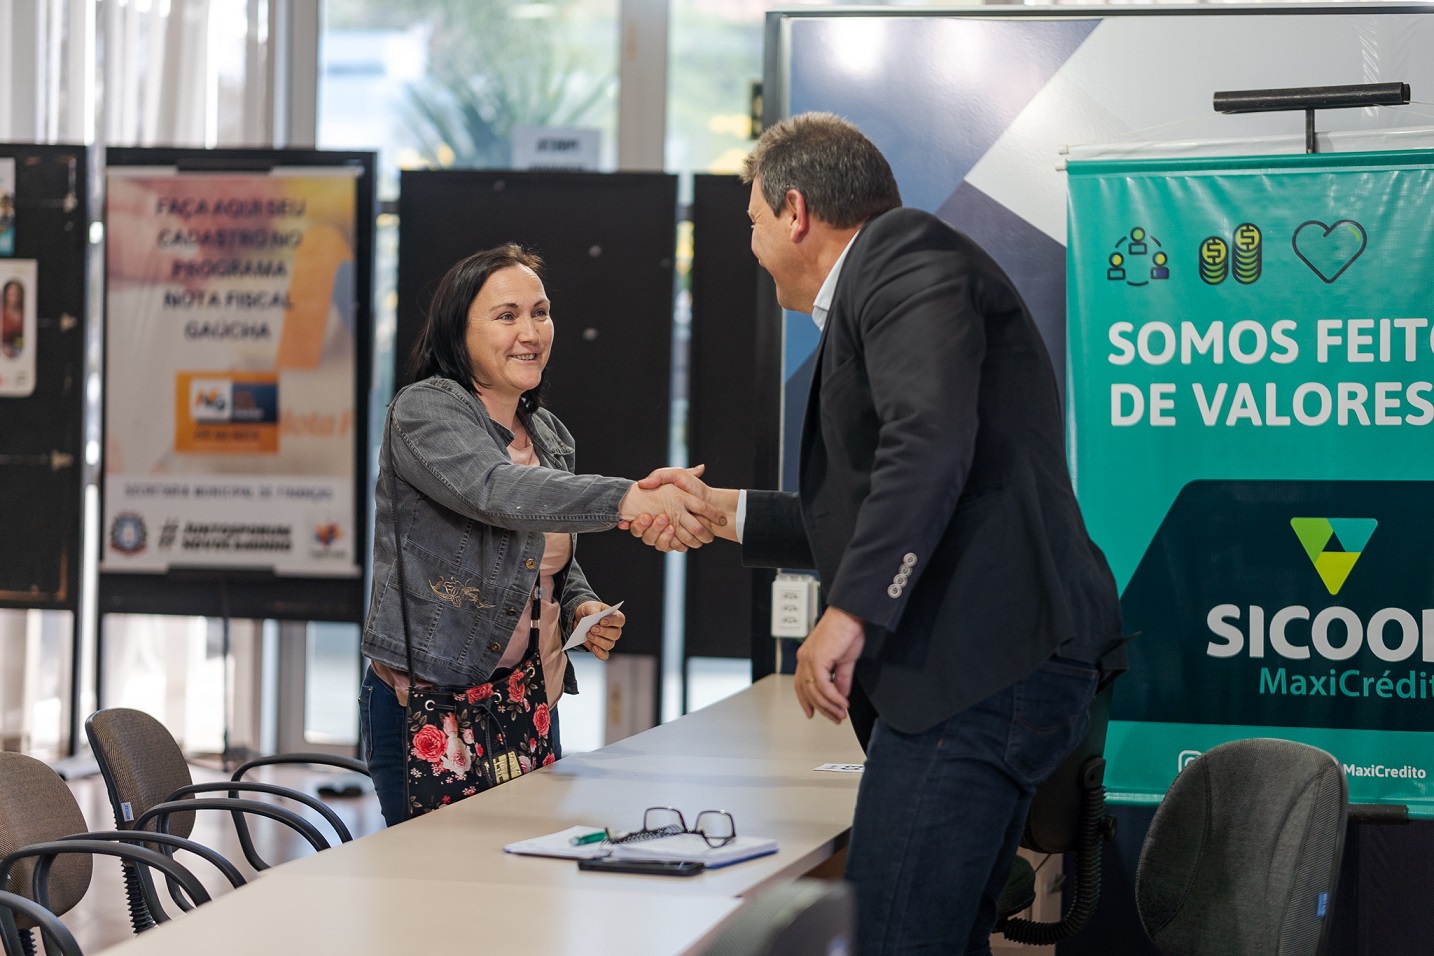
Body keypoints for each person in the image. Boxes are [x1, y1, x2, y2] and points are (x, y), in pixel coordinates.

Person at [630, 113, 1125, 955]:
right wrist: (725, 512)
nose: (752, 248)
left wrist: (851, 611)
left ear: (795, 211)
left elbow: (926, 444)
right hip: (992, 663)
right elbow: (893, 503)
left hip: (980, 666)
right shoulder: (894, 278)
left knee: (891, 939)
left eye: (752, 222)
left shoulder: (902, 256)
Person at [361, 242, 724, 826]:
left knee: (526, 871)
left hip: (529, 699)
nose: (530, 332)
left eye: (541, 312)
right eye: (506, 316)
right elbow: (496, 492)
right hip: (432, 705)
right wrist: (629, 498)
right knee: (440, 876)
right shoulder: (423, 411)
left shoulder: (548, 434)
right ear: (458, 332)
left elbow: (539, 554)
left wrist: (580, 603)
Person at [1, 279, 23, 358]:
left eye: (17, 295)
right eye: (11, 294)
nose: (14, 298)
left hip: (20, 351)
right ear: (6, 295)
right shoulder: (2, 313)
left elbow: (25, 338)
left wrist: (17, 346)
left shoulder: (24, 315)